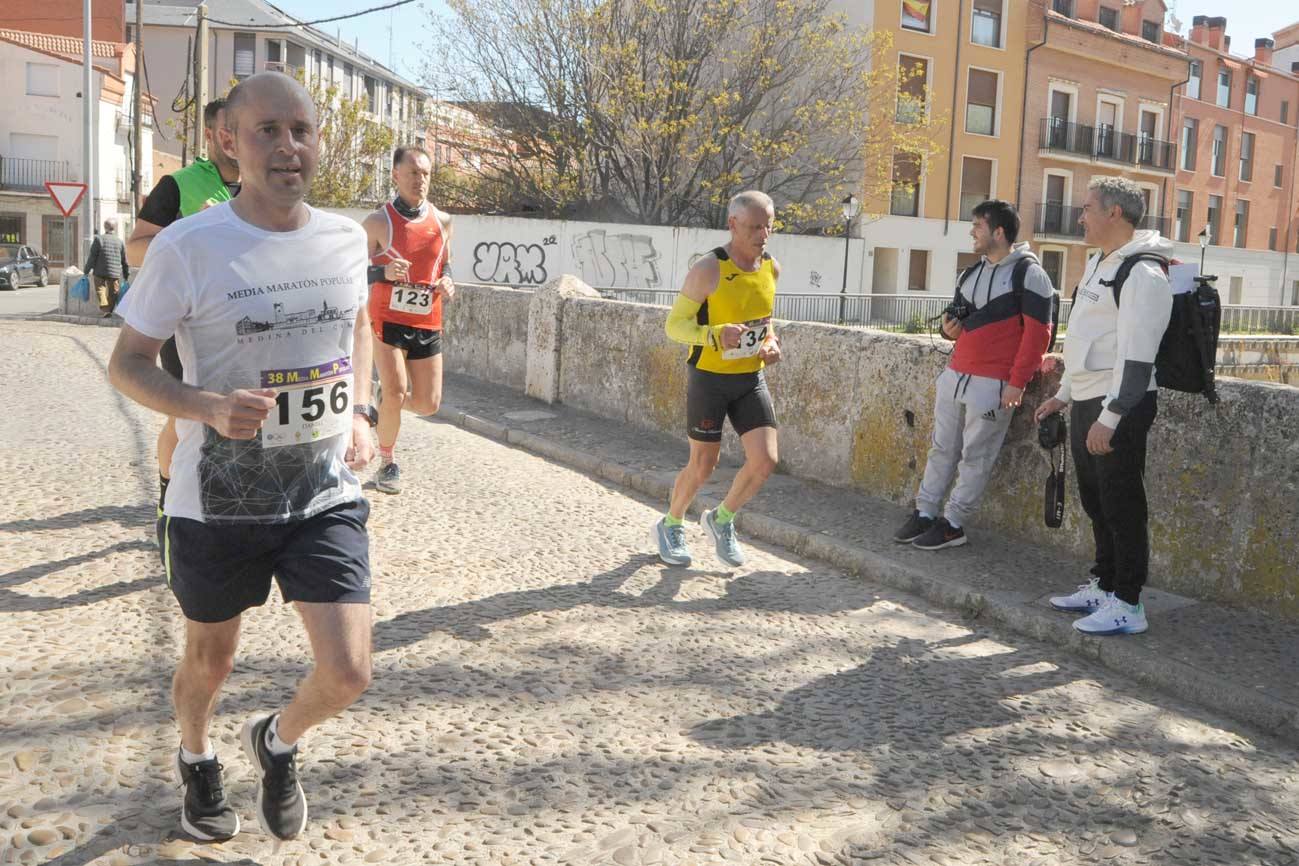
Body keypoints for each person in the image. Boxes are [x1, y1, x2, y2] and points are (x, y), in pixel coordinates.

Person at [107, 72, 377, 842]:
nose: (289, 147)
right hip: (216, 501)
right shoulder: (190, 247)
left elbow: (357, 325)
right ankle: (196, 755)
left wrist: (359, 408)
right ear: (230, 140)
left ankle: (277, 741)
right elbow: (128, 362)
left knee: (349, 670)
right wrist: (206, 407)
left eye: (302, 130)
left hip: (322, 492)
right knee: (209, 661)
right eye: (268, 131)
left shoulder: (343, 239)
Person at [1036, 176, 1173, 636]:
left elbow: (1136, 359)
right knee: (1097, 500)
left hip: (1121, 405)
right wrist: (1064, 394)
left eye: (1087, 208)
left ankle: (1129, 603)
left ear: (1114, 213)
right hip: (1089, 399)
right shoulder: (1100, 262)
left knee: (1122, 504)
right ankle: (1105, 582)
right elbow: (1086, 339)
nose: (1080, 217)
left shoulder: (1144, 274)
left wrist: (1110, 418)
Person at [893, 200, 1056, 550]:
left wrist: (1017, 382)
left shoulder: (1030, 274)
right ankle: (925, 512)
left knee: (975, 456)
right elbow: (957, 323)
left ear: (998, 232)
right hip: (956, 375)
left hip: (993, 383)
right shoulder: (969, 273)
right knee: (941, 449)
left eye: (977, 226)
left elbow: (1038, 333)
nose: (971, 231)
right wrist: (947, 329)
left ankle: (953, 523)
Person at [653, 190, 782, 568]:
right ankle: (672, 522)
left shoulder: (771, 267)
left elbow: (765, 321)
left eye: (768, 227)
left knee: (765, 460)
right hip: (709, 378)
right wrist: (714, 334)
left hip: (750, 379)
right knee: (704, 465)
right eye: (755, 227)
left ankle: (721, 519)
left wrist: (771, 343)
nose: (763, 235)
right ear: (733, 224)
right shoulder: (708, 269)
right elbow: (674, 326)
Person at [127, 98, 241, 514]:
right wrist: (190, 232)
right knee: (187, 416)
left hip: (244, 324)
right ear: (210, 135)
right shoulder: (177, 185)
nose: (233, 139)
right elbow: (134, 249)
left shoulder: (264, 186)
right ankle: (167, 492)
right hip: (186, 325)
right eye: (224, 130)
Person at [362, 145, 455, 494]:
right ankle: (387, 463)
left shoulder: (443, 221)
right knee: (398, 390)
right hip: (386, 320)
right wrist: (381, 270)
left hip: (428, 319)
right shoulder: (376, 222)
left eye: (426, 173)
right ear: (395, 175)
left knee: (429, 403)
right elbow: (352, 270)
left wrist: (448, 279)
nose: (421, 180)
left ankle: (385, 400)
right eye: (413, 173)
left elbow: (444, 263)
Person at [83, 218, 129, 317]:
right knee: (113, 292)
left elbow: (92, 257)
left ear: (105, 227)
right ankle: (110, 310)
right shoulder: (120, 242)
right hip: (114, 272)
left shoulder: (99, 239)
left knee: (100, 290)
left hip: (99, 271)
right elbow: (125, 260)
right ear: (115, 228)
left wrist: (86, 271)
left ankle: (105, 310)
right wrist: (126, 274)